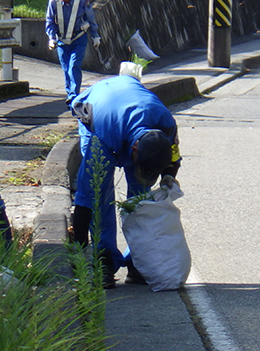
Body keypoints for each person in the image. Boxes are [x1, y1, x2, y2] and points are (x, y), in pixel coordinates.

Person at [69, 74, 181, 288]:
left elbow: (174, 158)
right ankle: (104, 260)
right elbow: (85, 198)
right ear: (135, 150)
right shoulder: (104, 132)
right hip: (98, 110)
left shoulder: (167, 125)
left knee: (141, 196)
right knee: (98, 192)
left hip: (131, 104)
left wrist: (168, 179)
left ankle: (137, 261)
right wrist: (80, 250)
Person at [45, 0, 101, 104]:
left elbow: (91, 18)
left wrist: (95, 36)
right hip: (61, 40)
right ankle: (70, 93)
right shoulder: (53, 2)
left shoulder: (82, 1)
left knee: (74, 65)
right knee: (66, 68)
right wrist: (51, 38)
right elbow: (49, 21)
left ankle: (74, 95)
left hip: (78, 39)